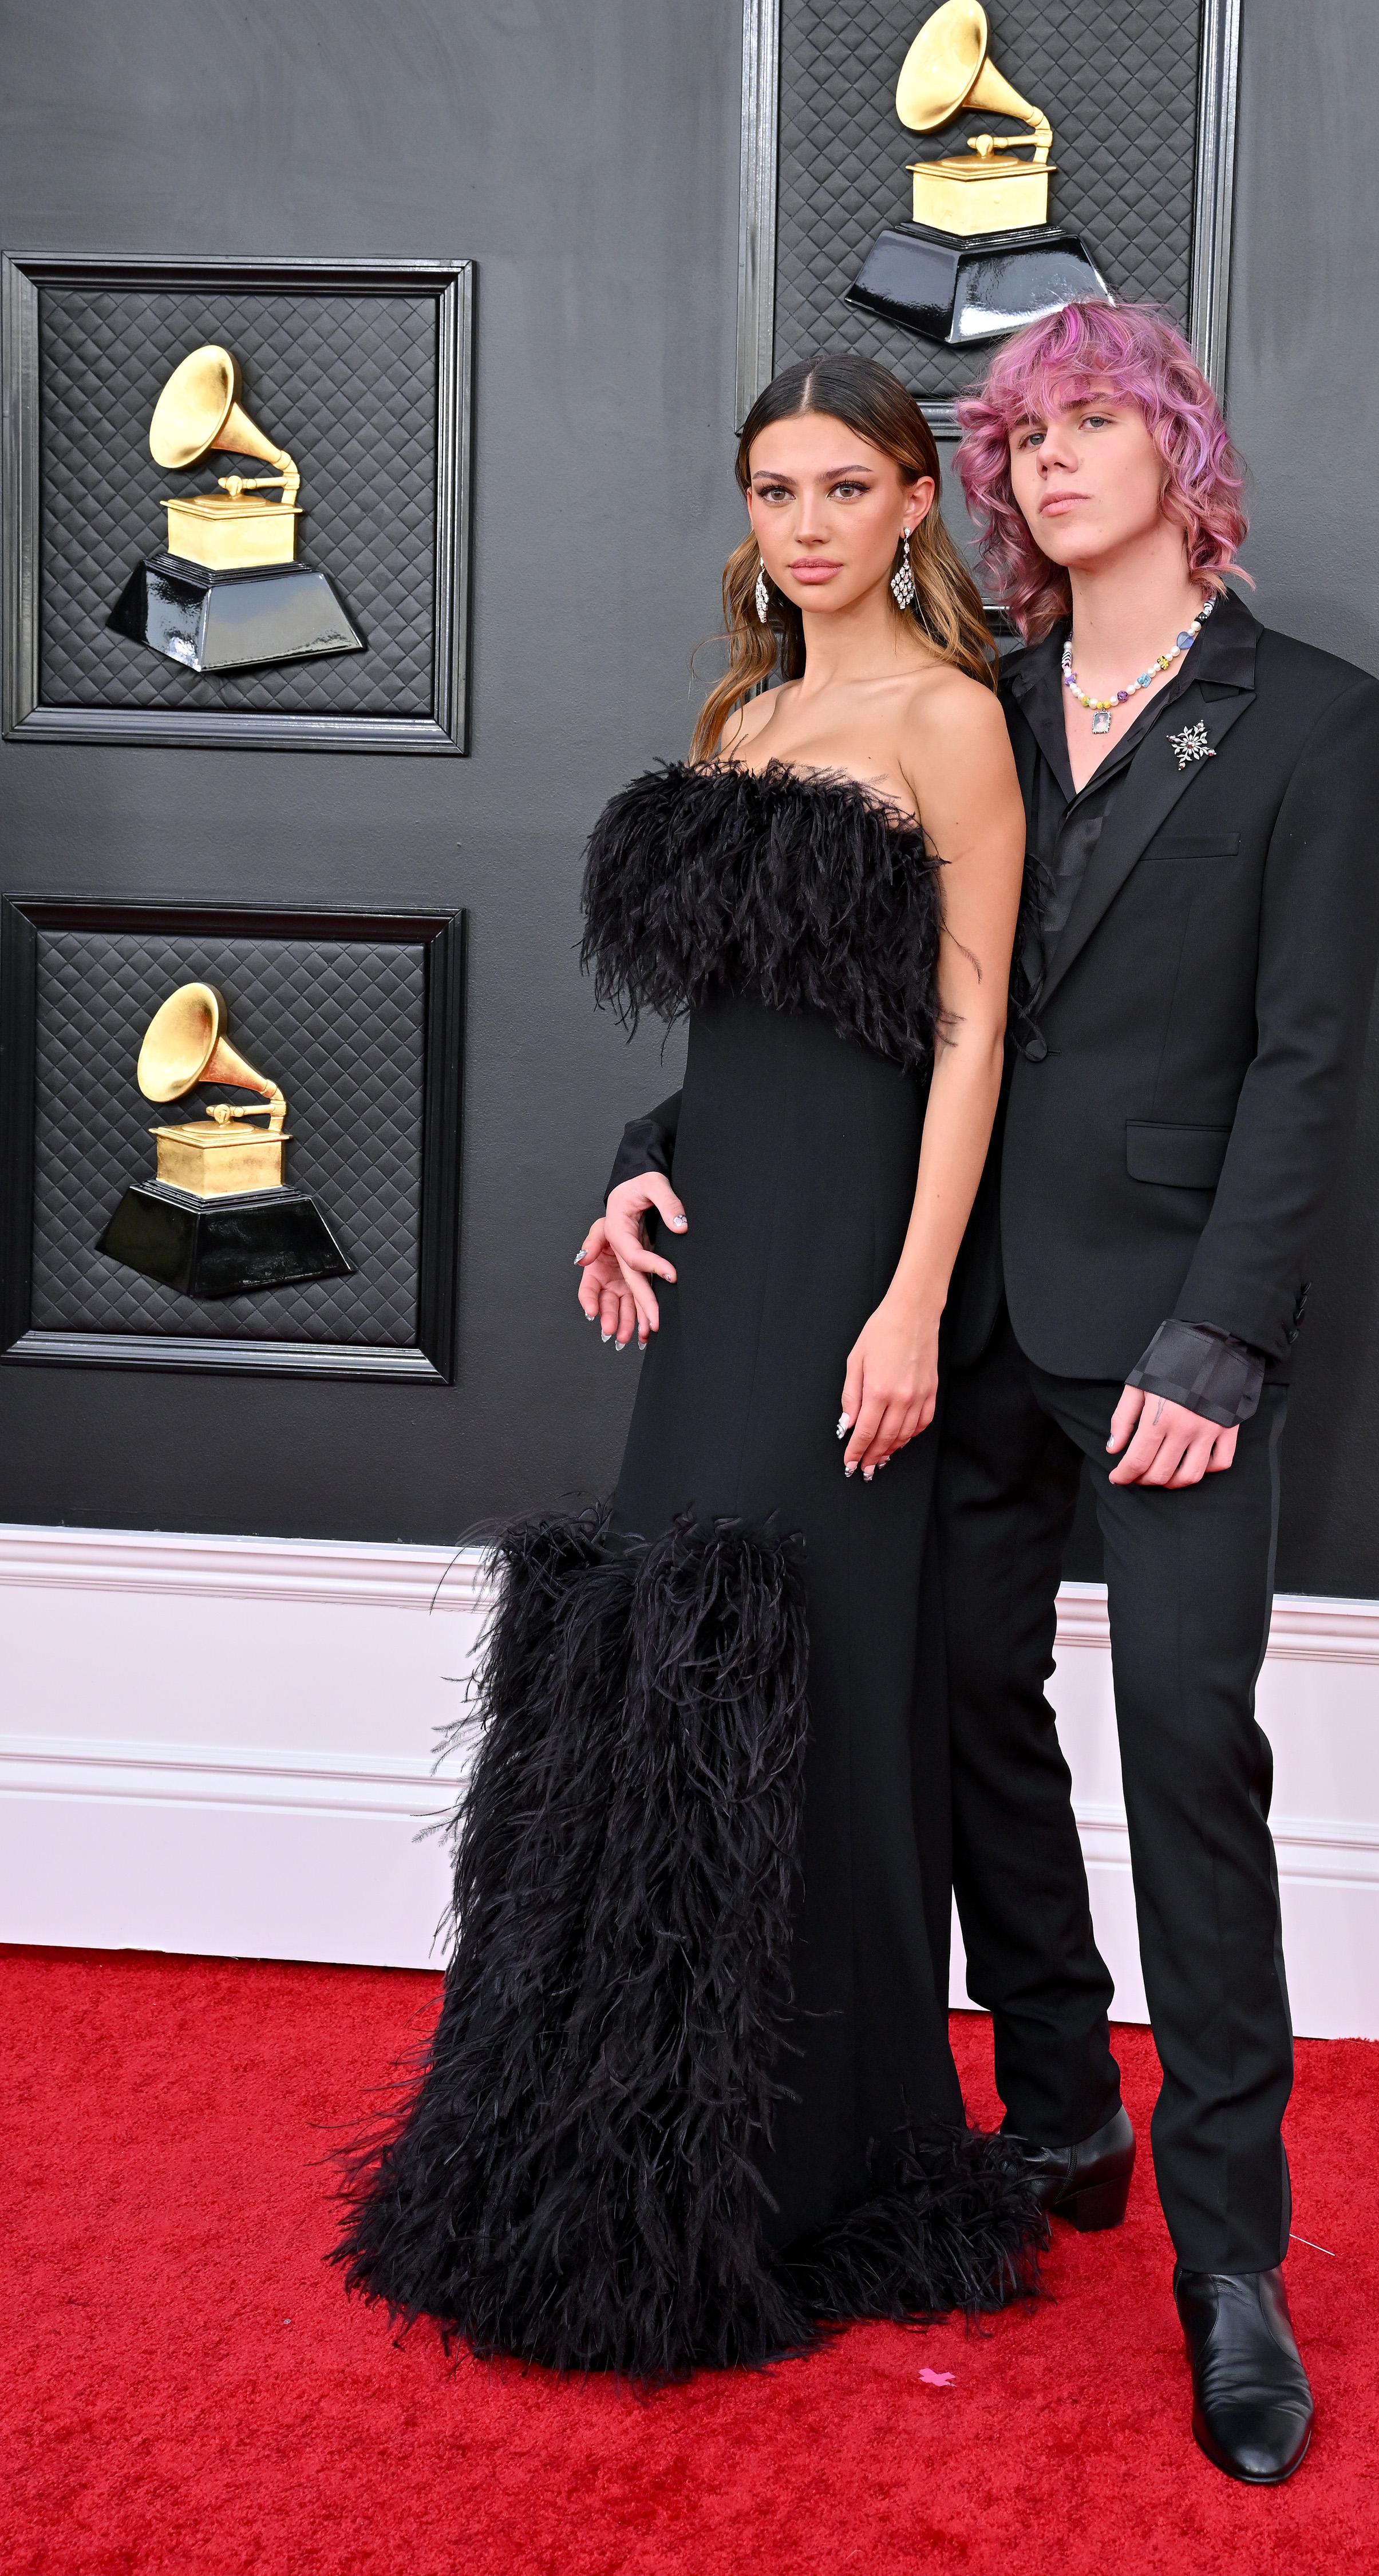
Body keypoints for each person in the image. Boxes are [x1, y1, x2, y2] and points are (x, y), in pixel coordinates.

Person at [335, 351, 1045, 2377]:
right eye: (773, 487)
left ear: (918, 504)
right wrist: (636, 1179)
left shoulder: (952, 725)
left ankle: (822, 2163)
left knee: (817, 1670)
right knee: (670, 1666)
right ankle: (630, 2145)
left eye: (845, 484)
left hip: (855, 1266)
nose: (805, 521)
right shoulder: (745, 713)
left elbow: (970, 1038)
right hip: (723, 1242)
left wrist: (910, 1300)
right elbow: (744, 1032)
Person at [938, 302, 1379, 2484]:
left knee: (1189, 1761)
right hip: (967, 1315)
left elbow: (1310, 1057)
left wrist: (1224, 1338)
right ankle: (1059, 2106)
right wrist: (667, 1151)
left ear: (1179, 446)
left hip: (1176, 1334)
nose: (1047, 462)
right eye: (1021, 437)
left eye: (1090, 421)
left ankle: (1234, 2262)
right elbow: (878, 1001)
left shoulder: (1317, 721)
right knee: (956, 1697)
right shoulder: (978, 706)